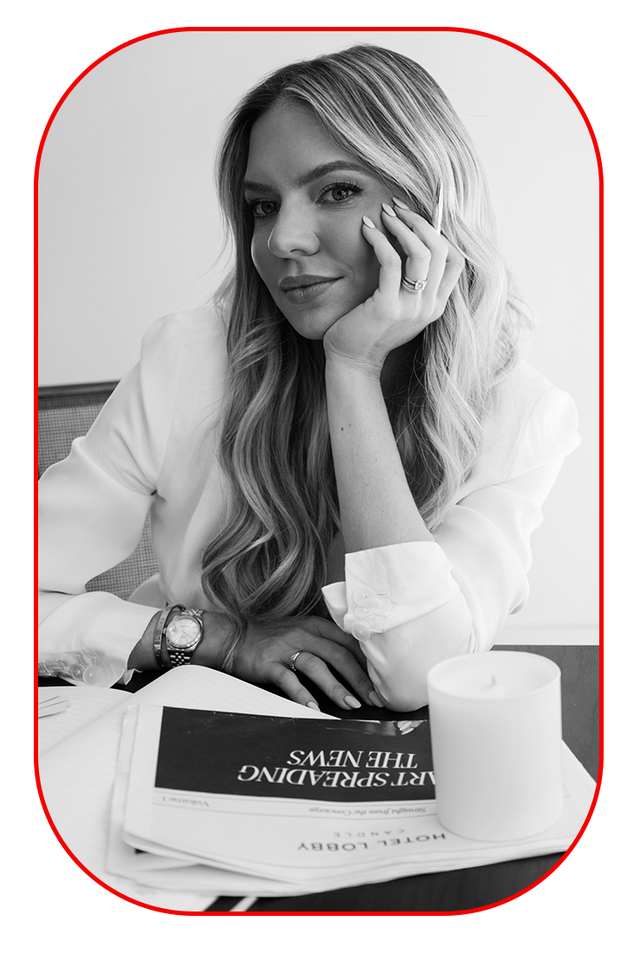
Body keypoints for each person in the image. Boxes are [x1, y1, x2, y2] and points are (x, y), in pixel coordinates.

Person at [38, 44, 580, 712]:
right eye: (263, 205)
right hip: (182, 723)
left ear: (432, 206)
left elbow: (417, 674)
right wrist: (214, 637)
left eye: (338, 191)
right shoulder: (190, 358)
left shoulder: (521, 413)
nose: (282, 240)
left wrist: (352, 369)